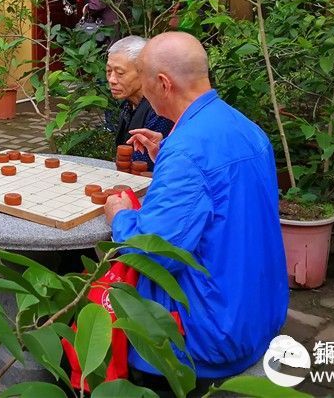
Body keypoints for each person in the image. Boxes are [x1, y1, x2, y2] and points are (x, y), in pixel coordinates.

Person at [104, 32, 287, 393]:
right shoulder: (244, 128)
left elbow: (152, 251)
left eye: (142, 76)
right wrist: (167, 154)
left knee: (106, 294)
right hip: (258, 310)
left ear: (162, 83)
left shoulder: (187, 151)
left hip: (209, 332)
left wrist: (120, 216)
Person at [104, 36, 174, 171]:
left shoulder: (159, 108)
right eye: (108, 71)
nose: (111, 79)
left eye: (120, 73)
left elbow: (144, 164)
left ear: (144, 72)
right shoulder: (129, 103)